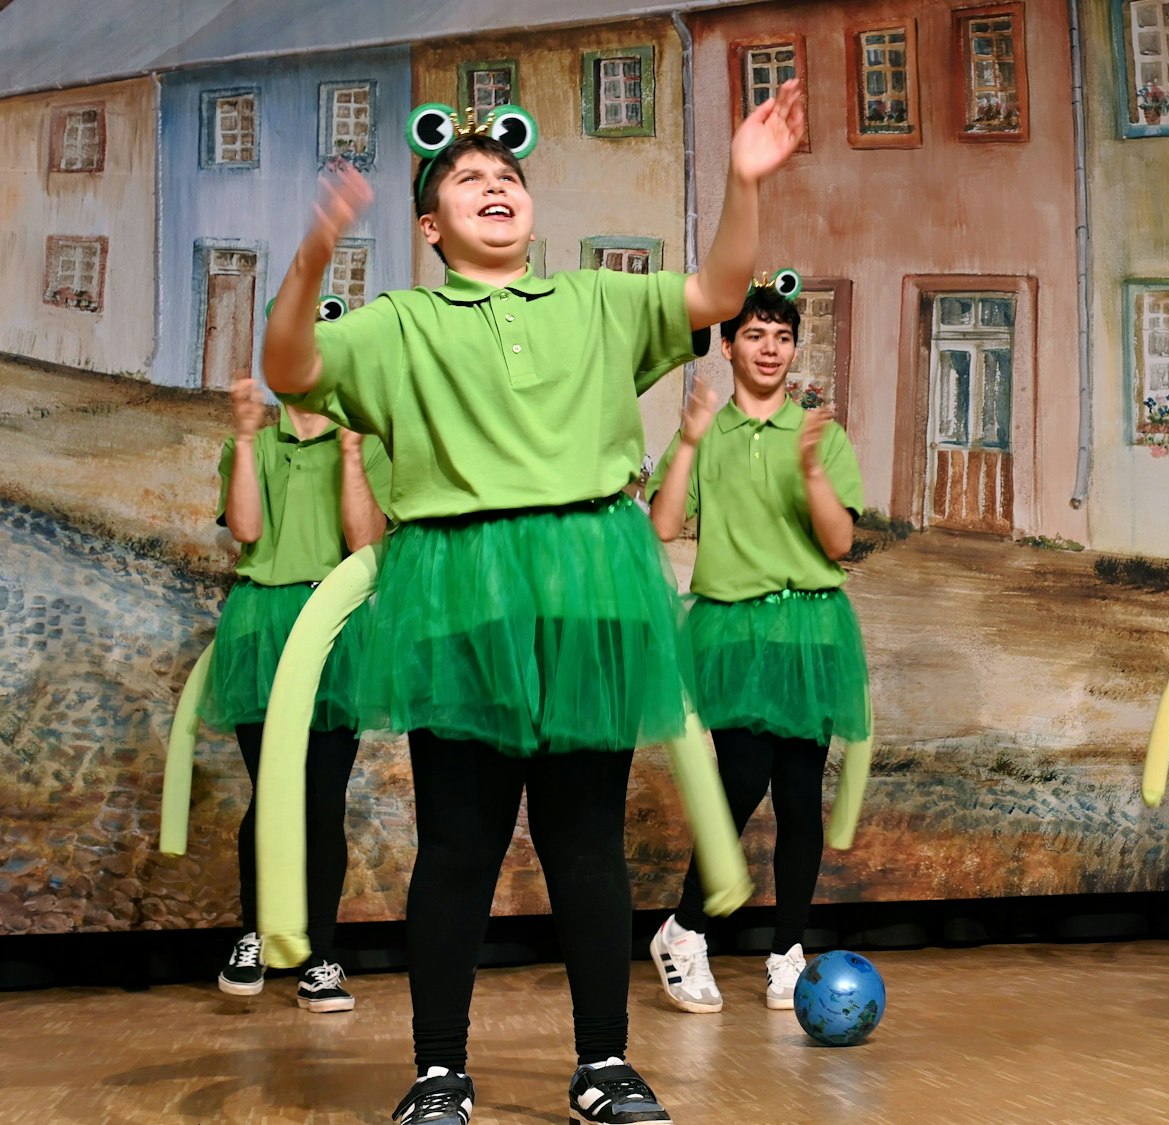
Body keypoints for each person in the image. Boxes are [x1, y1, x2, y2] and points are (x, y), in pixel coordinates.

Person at [260, 85, 806, 1125]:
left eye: (506, 176)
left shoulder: (598, 300)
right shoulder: (398, 324)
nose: (493, 187)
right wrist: (315, 254)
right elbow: (289, 368)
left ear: (530, 208)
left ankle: (603, 1063)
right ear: (430, 226)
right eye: (468, 180)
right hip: (459, 591)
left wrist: (742, 178)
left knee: (585, 843)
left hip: (588, 586)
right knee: (460, 846)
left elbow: (718, 288)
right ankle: (438, 1072)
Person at [644, 276, 870, 1015]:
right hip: (734, 629)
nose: (769, 347)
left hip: (809, 626)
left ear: (793, 346)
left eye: (781, 335)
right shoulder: (709, 433)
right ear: (730, 345)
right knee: (739, 783)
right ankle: (685, 928)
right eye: (754, 333)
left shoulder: (821, 434)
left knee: (801, 801)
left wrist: (808, 471)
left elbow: (839, 545)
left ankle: (787, 951)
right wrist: (687, 438)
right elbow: (664, 528)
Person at [204, 368, 388, 1015]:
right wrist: (248, 439)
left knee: (320, 799)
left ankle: (320, 956)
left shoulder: (363, 443)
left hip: (332, 631)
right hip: (262, 627)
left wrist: (349, 450)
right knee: (272, 793)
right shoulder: (249, 441)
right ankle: (254, 933)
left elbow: (366, 543)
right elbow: (247, 532)